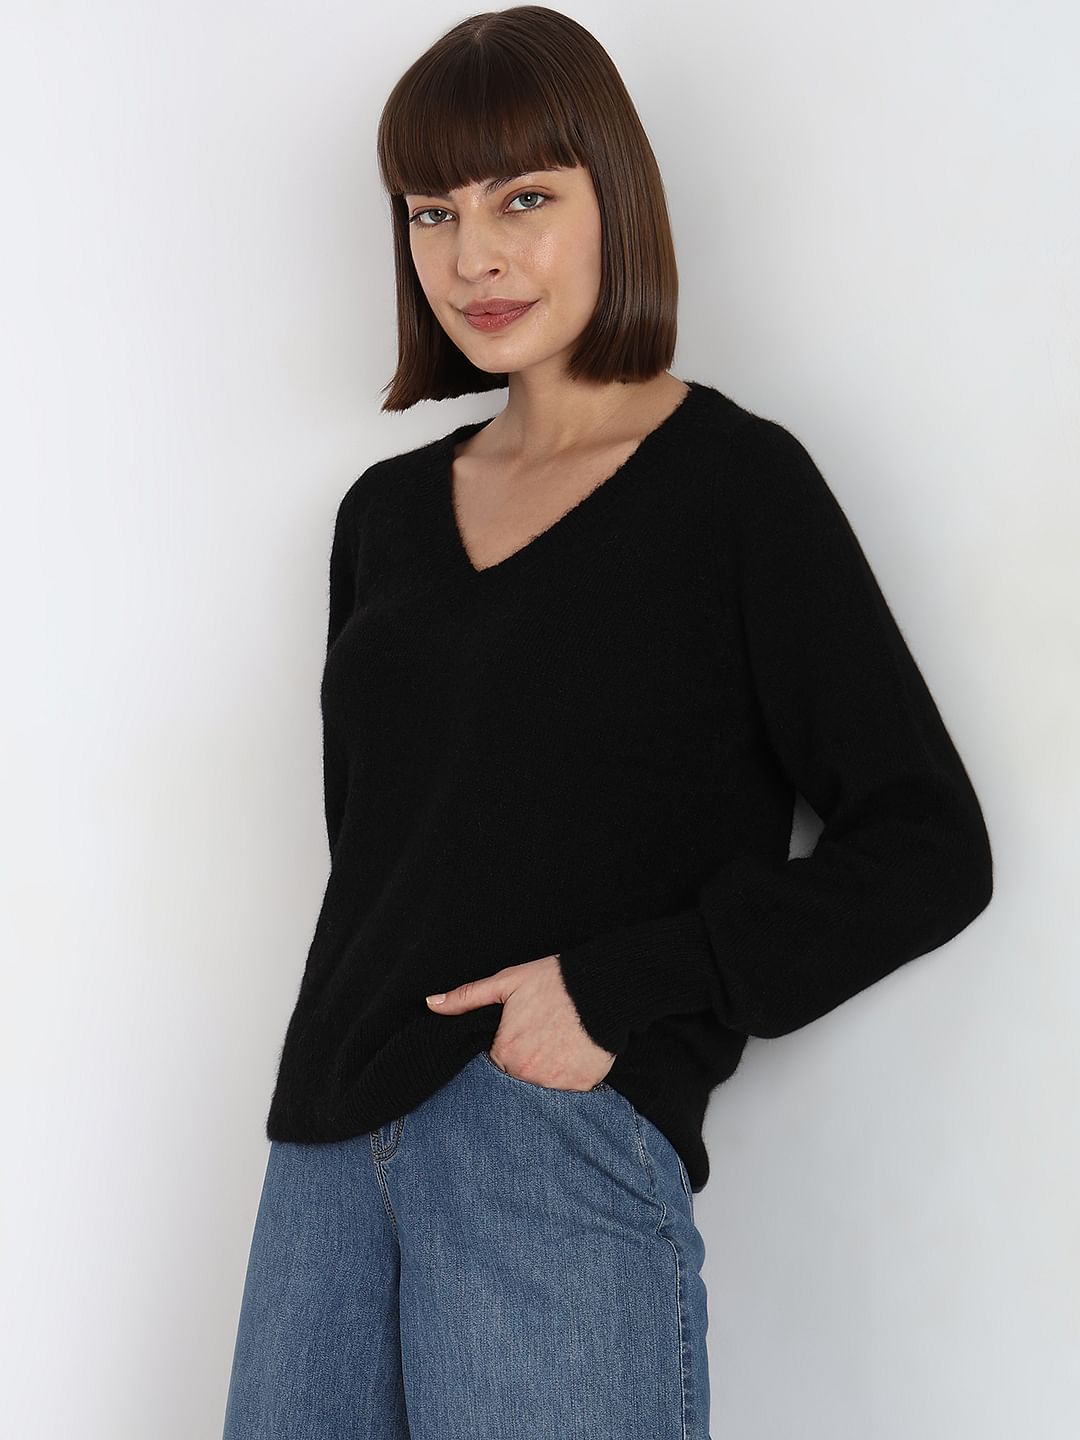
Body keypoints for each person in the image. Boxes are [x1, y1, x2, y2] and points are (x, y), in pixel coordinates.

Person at [222, 7, 994, 1438]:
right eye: (433, 212)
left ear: (614, 199)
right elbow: (382, 853)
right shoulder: (383, 519)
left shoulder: (736, 490)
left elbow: (929, 847)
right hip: (323, 1158)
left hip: (546, 1138)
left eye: (523, 198)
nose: (473, 255)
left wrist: (619, 989)